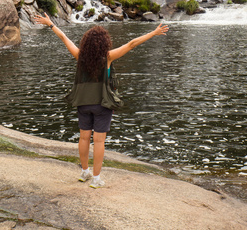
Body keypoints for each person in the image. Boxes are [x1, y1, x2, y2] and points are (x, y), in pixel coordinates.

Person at [34, 12, 169, 188]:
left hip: (83, 103)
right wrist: (153, 33)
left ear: (86, 43)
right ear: (104, 43)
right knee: (98, 141)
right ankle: (96, 179)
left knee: (83, 138)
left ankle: (84, 172)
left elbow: (64, 37)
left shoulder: (79, 55)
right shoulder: (108, 58)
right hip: (102, 104)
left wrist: (50, 23)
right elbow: (131, 44)